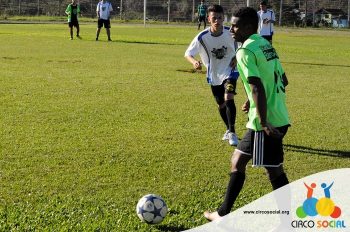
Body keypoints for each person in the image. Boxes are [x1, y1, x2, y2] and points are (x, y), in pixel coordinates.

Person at [204, 7, 290, 221]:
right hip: (278, 115)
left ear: (249, 27)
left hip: (265, 122)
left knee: (267, 169)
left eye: (235, 25)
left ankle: (224, 214)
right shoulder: (265, 45)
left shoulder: (245, 51)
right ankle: (224, 213)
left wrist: (263, 120)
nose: (231, 29)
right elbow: (281, 79)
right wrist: (250, 100)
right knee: (251, 163)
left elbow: (257, 87)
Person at [185, 4, 239, 146]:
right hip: (214, 74)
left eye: (220, 18)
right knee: (221, 104)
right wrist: (194, 62)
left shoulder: (231, 32)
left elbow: (244, 44)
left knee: (229, 97)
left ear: (223, 18)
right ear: (208, 19)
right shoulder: (202, 37)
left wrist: (238, 57)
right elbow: (188, 53)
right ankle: (228, 129)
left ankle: (233, 133)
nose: (217, 21)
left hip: (230, 70)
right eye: (214, 18)